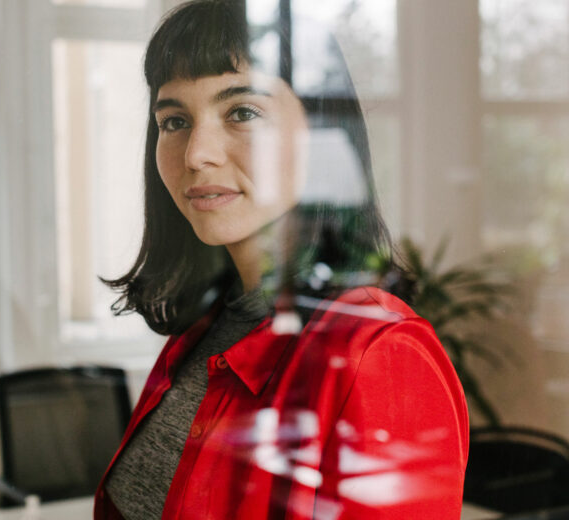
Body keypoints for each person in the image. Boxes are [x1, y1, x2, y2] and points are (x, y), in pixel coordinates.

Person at [96, 1, 469, 518]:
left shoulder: (379, 357)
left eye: (243, 112)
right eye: (175, 119)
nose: (196, 153)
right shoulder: (202, 329)